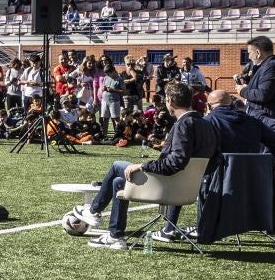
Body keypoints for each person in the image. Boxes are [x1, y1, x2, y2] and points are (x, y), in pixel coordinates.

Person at [67, 83, 217, 251]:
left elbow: (176, 163)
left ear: (170, 101)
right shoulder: (206, 124)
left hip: (166, 186)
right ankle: (115, 237)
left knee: (118, 165)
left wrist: (143, 165)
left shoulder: (184, 124)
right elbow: (214, 159)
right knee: (119, 182)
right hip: (187, 189)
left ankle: (94, 211)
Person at [235, 36, 275, 139]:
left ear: (258, 53)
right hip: (268, 122)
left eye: (249, 53)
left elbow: (263, 94)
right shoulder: (267, 66)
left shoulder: (272, 66)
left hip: (273, 124)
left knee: (270, 155)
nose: (249, 57)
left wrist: (243, 91)